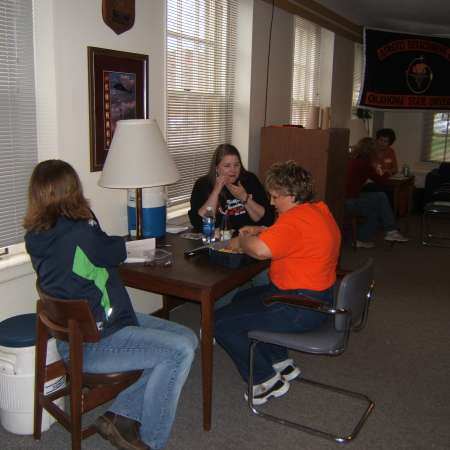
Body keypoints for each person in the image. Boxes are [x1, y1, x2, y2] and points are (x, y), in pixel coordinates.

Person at [24, 160, 198, 450]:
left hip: (88, 330)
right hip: (97, 340)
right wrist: (90, 223)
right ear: (72, 191)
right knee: (178, 352)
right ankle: (153, 441)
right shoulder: (78, 232)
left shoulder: (36, 235)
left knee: (188, 338)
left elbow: (94, 252)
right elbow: (114, 250)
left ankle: (120, 413)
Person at [214, 161, 341, 405]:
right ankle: (279, 360)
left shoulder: (295, 221)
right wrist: (262, 229)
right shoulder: (317, 211)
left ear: (291, 195)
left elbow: (261, 252)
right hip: (318, 299)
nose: (271, 202)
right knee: (242, 299)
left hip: (298, 307)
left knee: (220, 322)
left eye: (275, 196)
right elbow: (290, 237)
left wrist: (242, 241)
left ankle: (265, 381)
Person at [189, 144, 274, 232]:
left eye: (236, 165)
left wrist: (244, 197)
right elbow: (199, 224)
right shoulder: (202, 184)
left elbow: (268, 220)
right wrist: (216, 191)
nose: (233, 170)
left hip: (247, 238)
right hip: (217, 240)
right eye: (227, 166)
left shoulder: (249, 179)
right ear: (217, 168)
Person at [345, 137, 408, 248]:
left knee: (376, 208)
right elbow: (381, 180)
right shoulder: (364, 163)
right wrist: (388, 172)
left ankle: (361, 240)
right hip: (350, 201)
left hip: (344, 198)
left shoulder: (355, 159)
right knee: (381, 197)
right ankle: (391, 230)